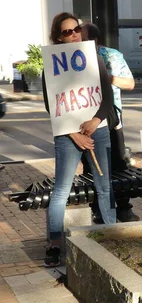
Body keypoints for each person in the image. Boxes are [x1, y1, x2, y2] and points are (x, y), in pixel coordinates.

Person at [43, 13, 116, 267]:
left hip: (98, 130)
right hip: (67, 135)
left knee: (105, 187)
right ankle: (54, 245)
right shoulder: (51, 65)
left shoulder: (94, 59)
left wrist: (94, 123)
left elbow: (107, 98)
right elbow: (51, 106)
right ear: (57, 36)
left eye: (76, 29)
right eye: (67, 32)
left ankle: (112, 235)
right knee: (61, 190)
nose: (73, 34)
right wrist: (74, 134)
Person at [81, 23, 139, 223]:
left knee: (117, 166)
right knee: (91, 168)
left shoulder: (111, 55)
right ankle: (98, 209)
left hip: (111, 120)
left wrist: (105, 77)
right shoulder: (75, 58)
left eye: (83, 39)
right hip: (85, 122)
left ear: (95, 41)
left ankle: (123, 208)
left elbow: (129, 83)